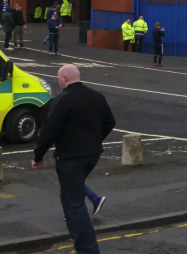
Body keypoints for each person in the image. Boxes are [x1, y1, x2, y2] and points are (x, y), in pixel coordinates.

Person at [32, 64, 117, 254]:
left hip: (70, 158)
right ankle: (80, 245)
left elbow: (48, 131)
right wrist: (95, 140)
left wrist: (38, 156)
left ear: (64, 78)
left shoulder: (63, 100)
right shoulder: (97, 96)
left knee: (75, 205)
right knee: (69, 198)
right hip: (92, 156)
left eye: (58, 79)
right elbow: (110, 122)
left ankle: (88, 250)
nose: (59, 82)